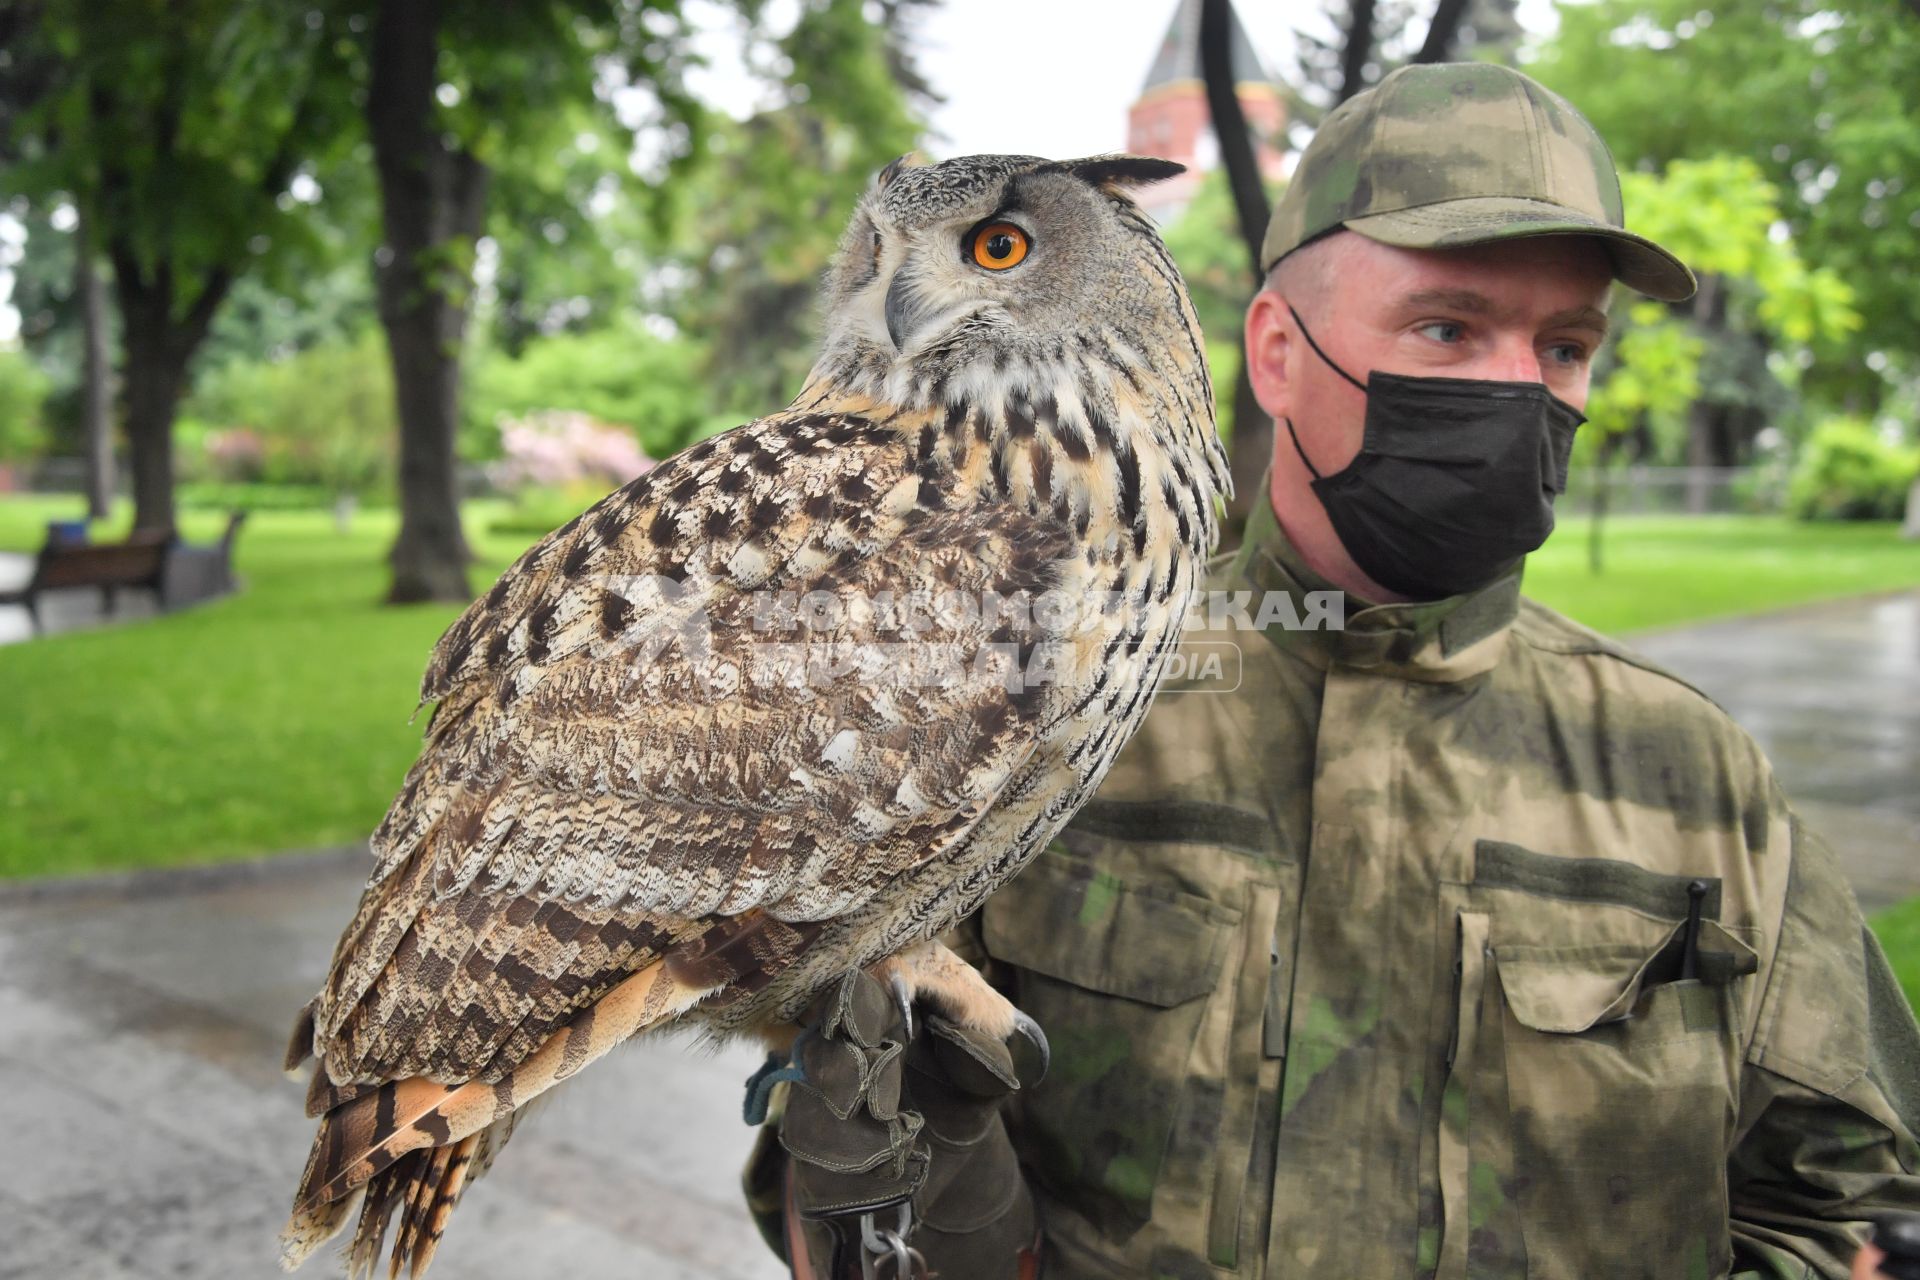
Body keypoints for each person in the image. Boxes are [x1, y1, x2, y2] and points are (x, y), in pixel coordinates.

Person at [744, 62, 1920, 1279]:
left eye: (1565, 345)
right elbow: (835, 1164)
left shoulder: (1694, 769)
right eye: (1447, 327)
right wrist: (903, 1146)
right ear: (1276, 353)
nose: (1522, 388)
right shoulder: (1030, 700)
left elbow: (1849, 1200)